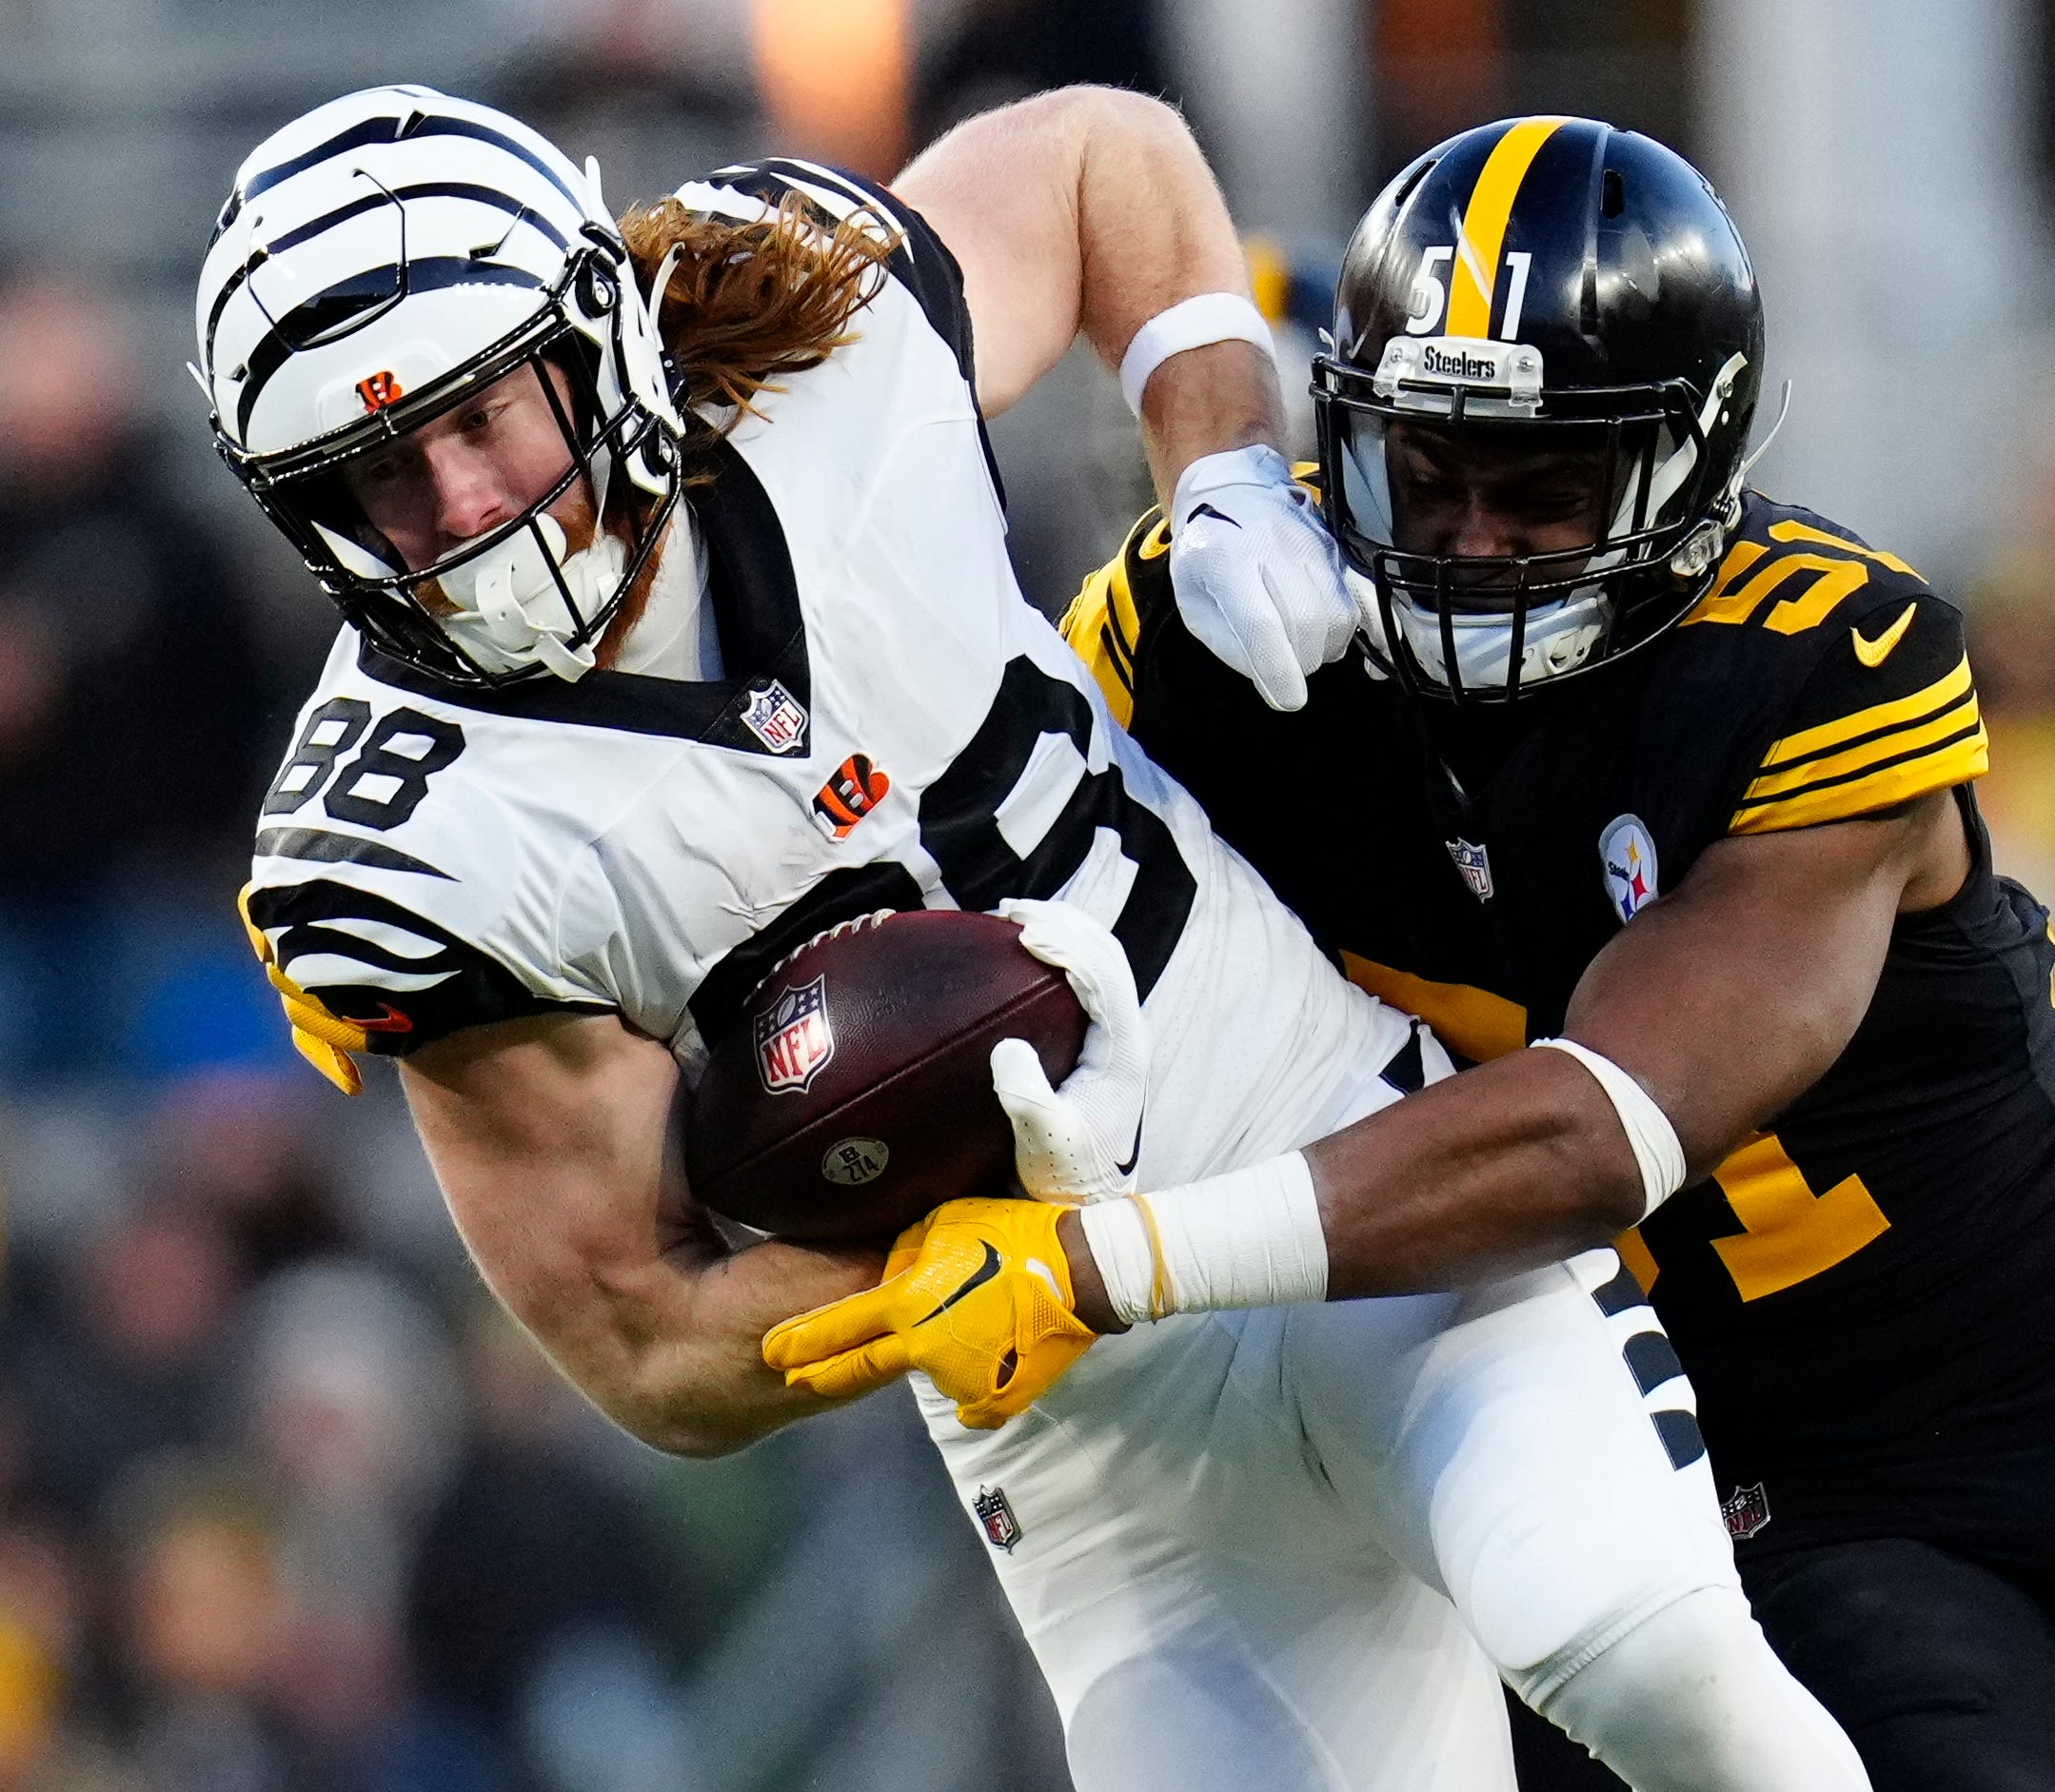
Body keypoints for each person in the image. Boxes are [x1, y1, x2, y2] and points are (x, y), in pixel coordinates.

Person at [799, 117, 2055, 1786]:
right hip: (1740, 1494)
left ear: (1689, 465)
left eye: (1544, 490)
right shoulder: (1211, 641)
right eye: (1425, 475)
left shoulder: (1819, 653)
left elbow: (1597, 1131)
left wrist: (1111, 1260)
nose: (1473, 544)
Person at [213, 86, 1864, 1792]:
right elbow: (645, 1340)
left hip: (1345, 1162)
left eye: (488, 416)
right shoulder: (404, 848)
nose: (465, 501)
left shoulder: (802, 342)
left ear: (596, 335)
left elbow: (1100, 157)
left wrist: (1216, 459)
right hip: (1089, 1437)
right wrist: (935, 1270)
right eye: (377, 478)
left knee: (1637, 1648)